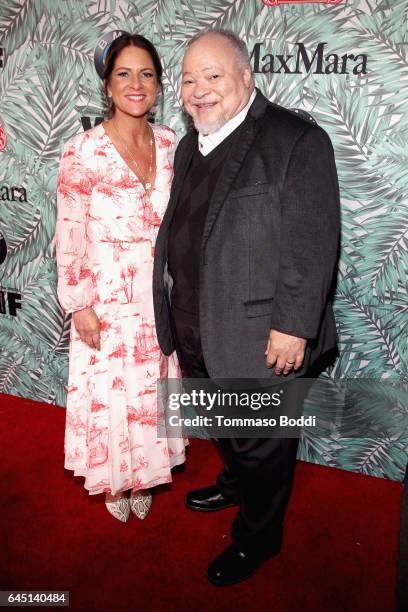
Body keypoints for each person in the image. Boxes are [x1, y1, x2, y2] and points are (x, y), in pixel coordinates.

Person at [153, 29, 340, 584]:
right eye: (188, 79)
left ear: (246, 77)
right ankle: (235, 486)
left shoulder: (294, 140)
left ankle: (258, 538)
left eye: (213, 76)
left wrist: (293, 325)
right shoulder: (191, 145)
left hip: (262, 334)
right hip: (195, 326)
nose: (198, 90)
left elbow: (313, 242)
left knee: (263, 443)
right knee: (221, 421)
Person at [56, 34, 187, 523]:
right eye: (124, 74)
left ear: (158, 84)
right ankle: (114, 478)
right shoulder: (82, 150)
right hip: (106, 296)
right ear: (107, 85)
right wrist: (80, 303)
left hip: (160, 294)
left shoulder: (174, 145)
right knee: (111, 389)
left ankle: (146, 471)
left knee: (150, 386)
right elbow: (69, 232)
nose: (136, 84)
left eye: (146, 74)